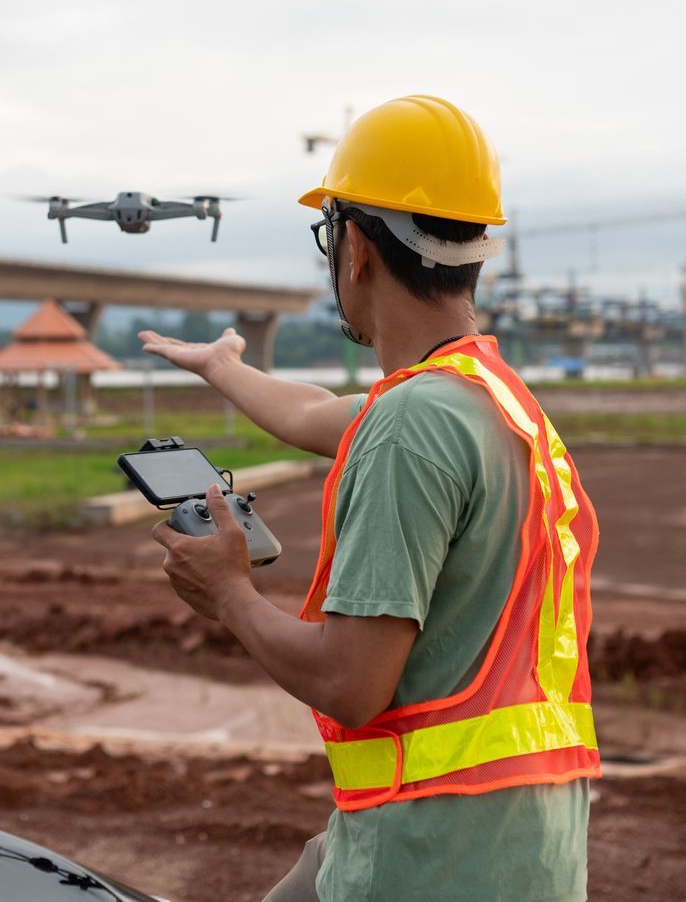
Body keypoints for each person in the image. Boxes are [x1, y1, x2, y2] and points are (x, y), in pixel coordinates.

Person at [141, 95, 598, 902]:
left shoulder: (412, 423)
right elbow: (320, 414)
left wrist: (230, 594)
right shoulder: (485, 396)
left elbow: (353, 683)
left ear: (354, 246)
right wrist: (222, 366)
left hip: (434, 854)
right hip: (518, 842)